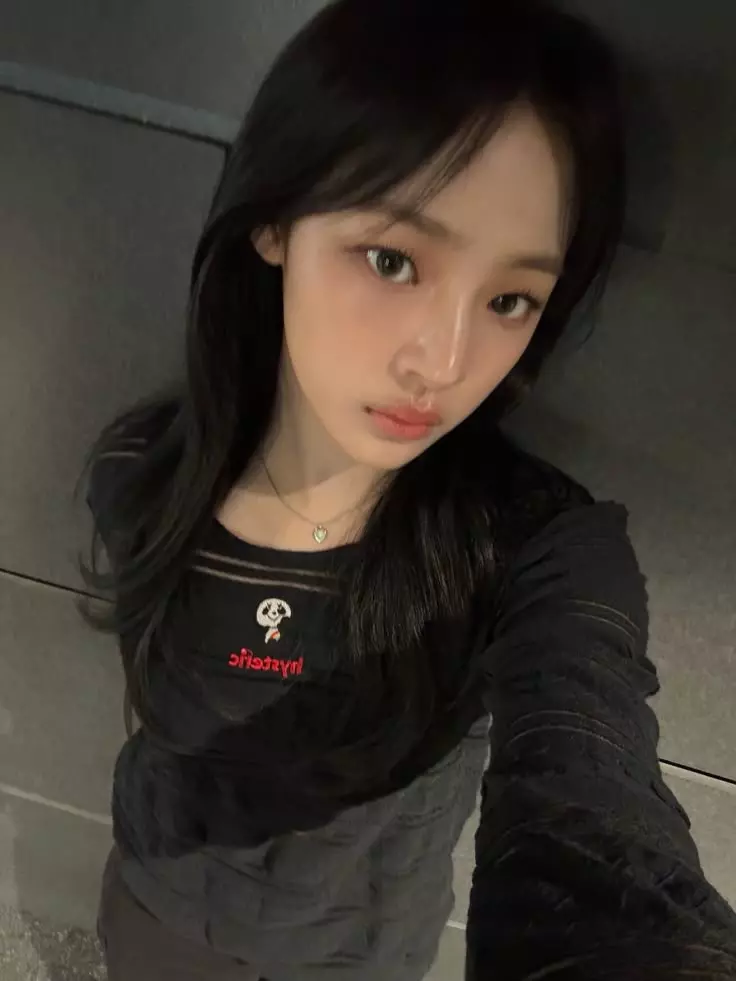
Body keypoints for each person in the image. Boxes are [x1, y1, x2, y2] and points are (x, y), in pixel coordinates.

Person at [78, 0, 736, 978]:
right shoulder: (140, 473)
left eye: (509, 298)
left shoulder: (528, 549)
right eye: (393, 260)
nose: (446, 361)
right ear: (275, 221)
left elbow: (589, 769)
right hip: (155, 920)